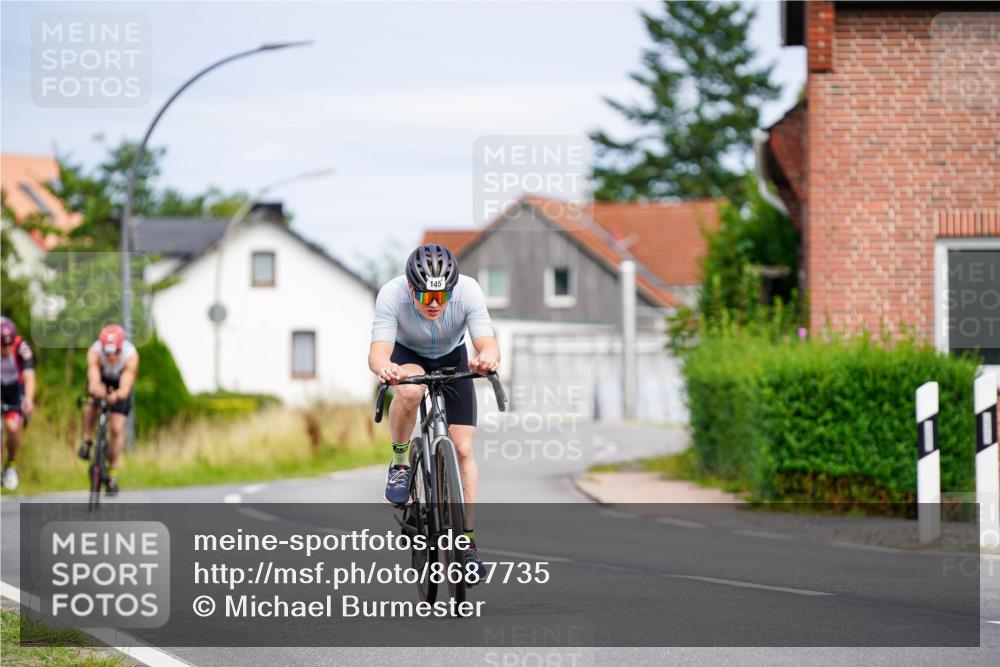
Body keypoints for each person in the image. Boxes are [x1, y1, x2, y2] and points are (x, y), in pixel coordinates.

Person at [369, 243, 499, 576]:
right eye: (426, 296)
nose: (434, 304)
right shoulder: (391, 294)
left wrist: (487, 358)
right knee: (411, 391)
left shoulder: (469, 290)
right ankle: (401, 462)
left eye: (442, 297)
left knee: (464, 450)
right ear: (411, 287)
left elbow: (487, 342)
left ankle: (467, 543)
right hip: (408, 355)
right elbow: (378, 353)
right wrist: (386, 368)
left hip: (453, 357)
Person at [78, 324, 139, 495]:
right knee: (91, 401)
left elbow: (125, 387)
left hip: (120, 384)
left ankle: (113, 472)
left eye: (115, 353)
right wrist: (96, 388)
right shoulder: (95, 351)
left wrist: (117, 395)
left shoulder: (130, 354)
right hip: (102, 379)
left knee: (116, 428)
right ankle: (86, 440)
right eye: (108, 353)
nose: (111, 357)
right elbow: (93, 377)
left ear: (121, 348)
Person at [1, 317, 35, 491]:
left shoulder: (23, 348)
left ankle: (11, 463)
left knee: (13, 427)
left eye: (9, 344)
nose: (6, 349)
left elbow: (29, 377)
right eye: (2, 345)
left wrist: (28, 400)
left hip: (15, 388)